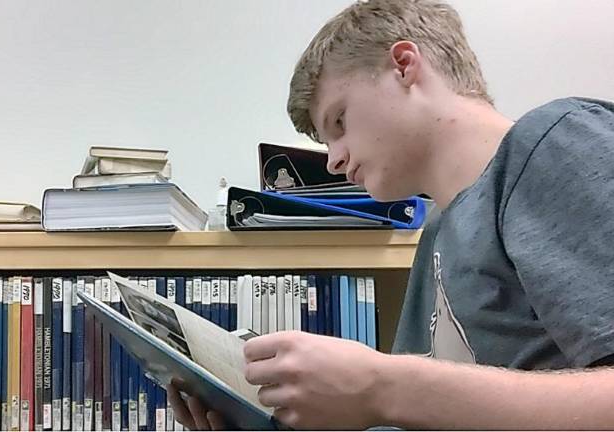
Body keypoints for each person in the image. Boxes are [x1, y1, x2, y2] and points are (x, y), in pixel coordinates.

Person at [168, 0, 614, 429]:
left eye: (339, 122)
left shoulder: (552, 142)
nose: (333, 161)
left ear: (404, 65)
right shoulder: (438, 231)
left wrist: (381, 386)